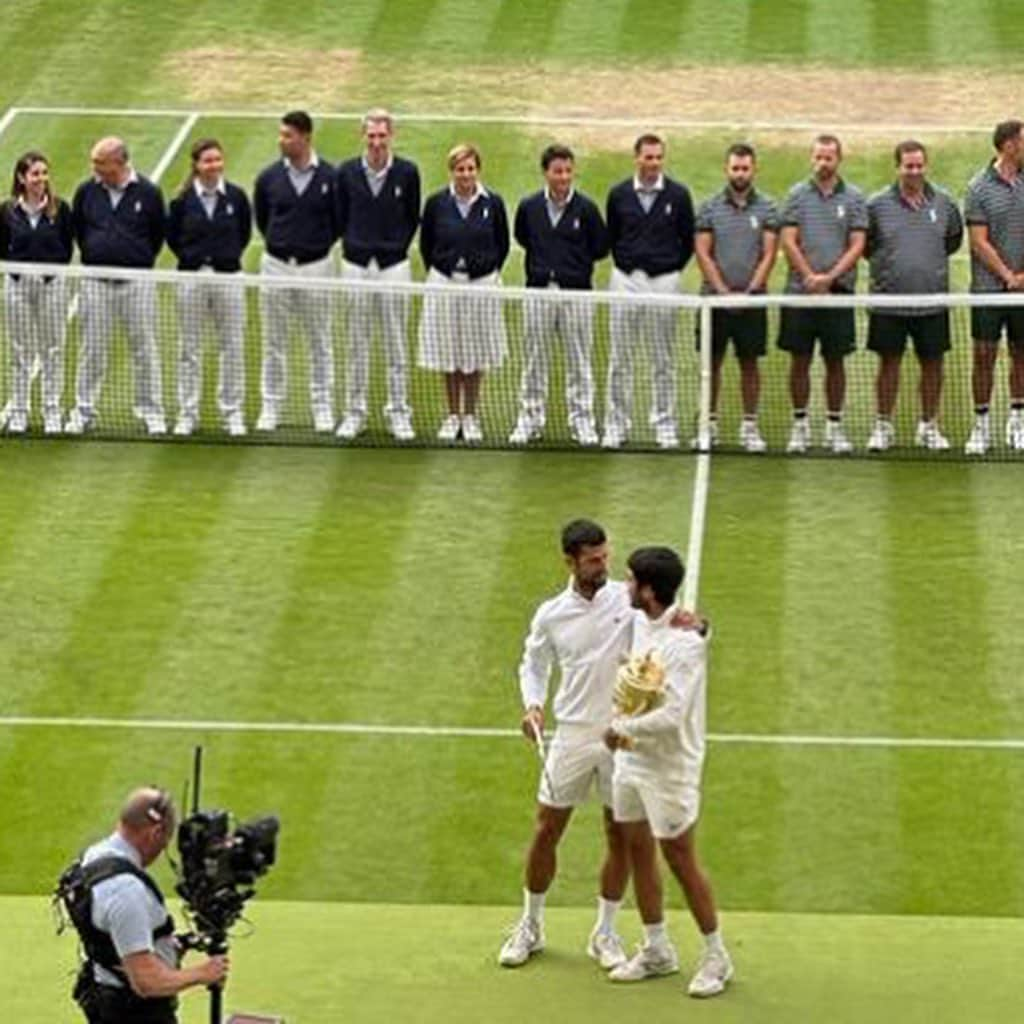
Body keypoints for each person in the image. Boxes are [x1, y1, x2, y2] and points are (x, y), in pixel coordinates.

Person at [498, 519, 631, 970]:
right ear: (570, 560)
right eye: (593, 560)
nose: (601, 566)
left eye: (605, 557)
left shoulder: (625, 600)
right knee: (546, 830)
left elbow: (664, 624)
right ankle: (530, 925)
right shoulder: (551, 614)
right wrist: (533, 705)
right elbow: (533, 664)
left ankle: (606, 932)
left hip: (619, 736)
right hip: (571, 734)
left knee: (621, 835)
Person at [603, 546, 732, 999]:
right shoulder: (643, 620)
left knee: (679, 857)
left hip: (670, 769)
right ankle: (657, 949)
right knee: (637, 848)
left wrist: (622, 728)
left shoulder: (685, 645)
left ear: (650, 590)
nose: (624, 586)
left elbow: (674, 714)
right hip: (631, 761)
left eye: (631, 580)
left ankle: (717, 957)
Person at [66, 787, 228, 1022]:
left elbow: (113, 938)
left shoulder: (95, 856)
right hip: (136, 1013)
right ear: (155, 832)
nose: (162, 850)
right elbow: (147, 982)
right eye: (165, 840)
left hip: (105, 999)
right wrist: (204, 973)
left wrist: (172, 946)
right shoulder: (126, 892)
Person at [865, 141, 963, 452]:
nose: (915, 172)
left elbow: (952, 240)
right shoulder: (877, 206)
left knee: (933, 365)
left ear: (926, 165)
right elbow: (866, 247)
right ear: (898, 167)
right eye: (909, 166)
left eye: (919, 165)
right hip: (889, 302)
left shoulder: (945, 204)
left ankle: (929, 425)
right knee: (888, 364)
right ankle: (883, 426)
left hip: (932, 302)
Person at [508, 144, 609, 447]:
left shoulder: (587, 209)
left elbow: (600, 247)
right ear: (546, 173)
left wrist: (571, 269)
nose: (563, 177)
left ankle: (582, 422)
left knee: (579, 361)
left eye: (567, 171)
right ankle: (530, 419)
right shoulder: (529, 207)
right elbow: (523, 237)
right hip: (538, 292)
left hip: (576, 294)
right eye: (557, 171)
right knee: (534, 359)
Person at [66, 137, 167, 436]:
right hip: (95, 283)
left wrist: (136, 259)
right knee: (92, 350)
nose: (94, 169)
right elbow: (80, 232)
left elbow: (157, 234)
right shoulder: (86, 192)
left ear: (119, 162)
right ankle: (83, 411)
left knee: (144, 350)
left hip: (137, 283)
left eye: (100, 163)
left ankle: (151, 412)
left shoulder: (148, 193)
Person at [603, 134, 695, 450]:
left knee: (663, 358)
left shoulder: (679, 196)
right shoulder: (618, 195)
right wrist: (630, 265)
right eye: (648, 157)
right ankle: (616, 425)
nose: (653, 164)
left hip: (665, 281)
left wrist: (668, 268)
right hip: (626, 279)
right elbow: (612, 236)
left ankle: (664, 424)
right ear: (636, 158)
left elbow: (688, 241)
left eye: (658, 158)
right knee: (620, 357)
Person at [335, 109, 421, 443]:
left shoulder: (407, 173)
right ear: (363, 137)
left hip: (394, 267)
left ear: (391, 136)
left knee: (396, 344)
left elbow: (412, 216)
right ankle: (354, 414)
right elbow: (340, 215)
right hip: (355, 265)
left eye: (382, 136)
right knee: (356, 343)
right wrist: (355, 244)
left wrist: (394, 247)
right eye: (371, 136)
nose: (376, 143)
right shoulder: (346, 173)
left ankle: (399, 413)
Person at [779, 134, 867, 454]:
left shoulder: (855, 198)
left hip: (838, 293)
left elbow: (857, 244)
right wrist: (809, 277)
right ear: (811, 158)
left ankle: (834, 426)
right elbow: (788, 240)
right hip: (800, 294)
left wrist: (830, 278)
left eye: (828, 158)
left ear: (838, 160)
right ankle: (800, 426)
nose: (822, 163)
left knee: (835, 362)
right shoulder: (796, 196)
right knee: (799, 361)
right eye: (818, 157)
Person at [253, 110, 339, 434]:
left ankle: (322, 407)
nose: (282, 141)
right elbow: (262, 219)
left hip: (317, 266)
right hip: (275, 266)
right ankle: (271, 405)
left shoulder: (330, 177)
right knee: (274, 341)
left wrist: (313, 246)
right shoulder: (268, 178)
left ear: (305, 137)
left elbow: (337, 222)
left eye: (288, 135)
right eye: (281, 134)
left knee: (320, 340)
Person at [418, 143, 509, 443]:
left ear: (477, 170)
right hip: (445, 282)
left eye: (470, 168)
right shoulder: (436, 204)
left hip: (482, 285)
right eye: (460, 169)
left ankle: (471, 415)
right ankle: (452, 415)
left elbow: (502, 244)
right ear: (452, 171)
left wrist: (483, 269)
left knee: (476, 350)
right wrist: (445, 268)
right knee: (449, 350)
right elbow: (426, 245)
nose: (466, 174)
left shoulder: (492, 203)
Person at [693, 142, 779, 452]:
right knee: (710, 364)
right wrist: (723, 293)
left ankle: (749, 426)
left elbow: (769, 254)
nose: (740, 173)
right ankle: (709, 424)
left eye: (745, 168)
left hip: (752, 303)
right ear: (726, 169)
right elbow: (703, 252)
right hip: (713, 303)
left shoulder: (768, 208)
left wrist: (751, 292)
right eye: (735, 168)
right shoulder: (709, 207)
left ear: (754, 169)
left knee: (749, 364)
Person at [166, 138, 252, 438]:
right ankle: (188, 413)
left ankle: (232, 412)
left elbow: (243, 234)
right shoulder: (181, 202)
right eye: (207, 161)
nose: (214, 166)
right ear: (196, 166)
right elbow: (173, 238)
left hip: (229, 278)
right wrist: (196, 260)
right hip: (192, 279)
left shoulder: (237, 198)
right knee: (189, 349)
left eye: (217, 159)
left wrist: (222, 260)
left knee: (232, 346)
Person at [0, 150, 74, 435]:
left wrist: (50, 272)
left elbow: (66, 247)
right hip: (17, 285)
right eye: (35, 174)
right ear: (21, 178)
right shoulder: (6, 212)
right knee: (19, 350)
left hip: (51, 285)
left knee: (53, 349)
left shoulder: (61, 209)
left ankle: (51, 410)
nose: (41, 179)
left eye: (44, 173)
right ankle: (19, 410)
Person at [963, 119, 1024, 455]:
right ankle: (982, 425)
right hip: (988, 289)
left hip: (1023, 291)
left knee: (1022, 356)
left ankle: (1018, 421)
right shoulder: (978, 188)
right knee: (983, 355)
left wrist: (1022, 279)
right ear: (1009, 145)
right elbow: (978, 241)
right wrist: (1007, 275)